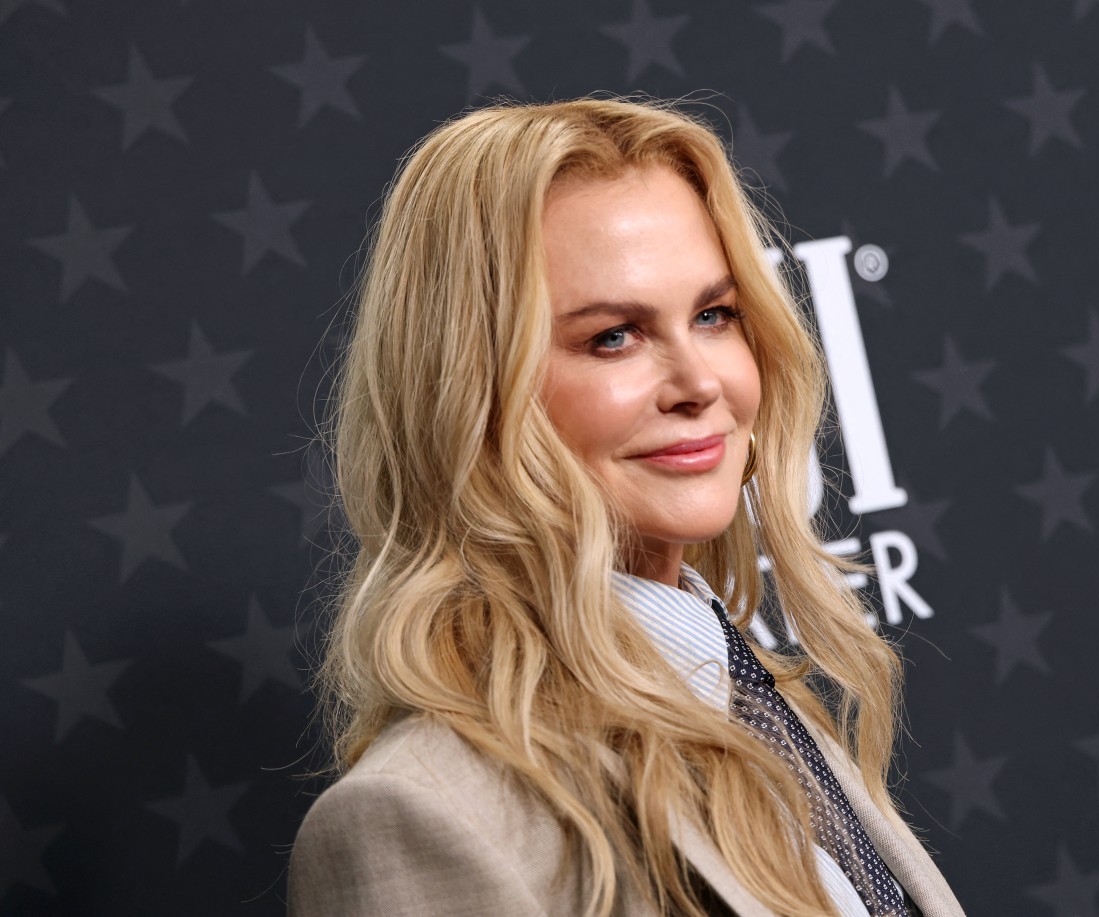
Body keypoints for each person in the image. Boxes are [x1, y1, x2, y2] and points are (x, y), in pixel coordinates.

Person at [288, 96, 965, 917]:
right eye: (614, 335)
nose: (699, 382)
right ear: (472, 395)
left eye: (714, 315)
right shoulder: (422, 818)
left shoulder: (757, 702)